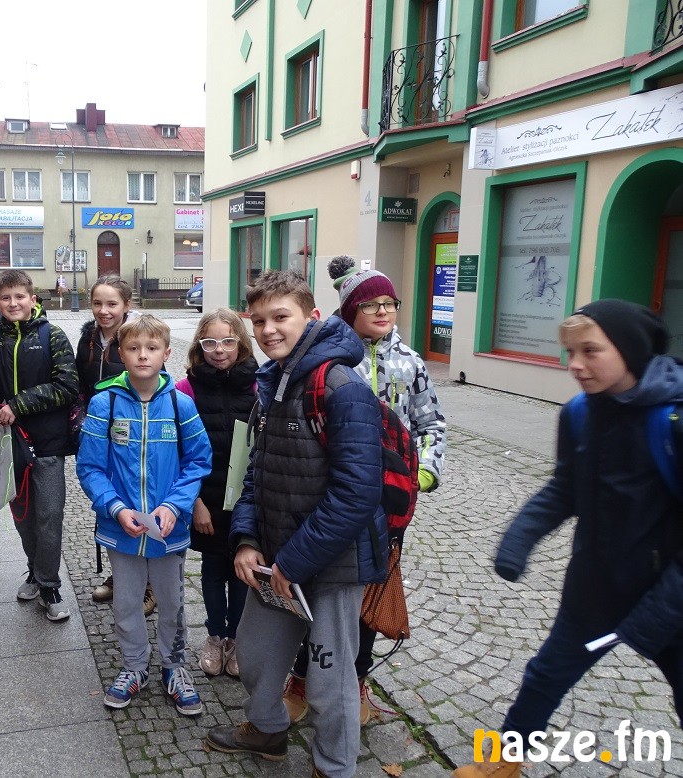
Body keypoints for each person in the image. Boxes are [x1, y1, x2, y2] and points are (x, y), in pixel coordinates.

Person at [453, 299, 683, 778]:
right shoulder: (579, 412)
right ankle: (505, 760)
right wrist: (521, 536)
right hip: (596, 583)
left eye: (590, 351)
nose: (575, 364)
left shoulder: (672, 420)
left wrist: (655, 617)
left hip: (669, 596)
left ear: (630, 349)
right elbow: (565, 489)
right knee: (546, 675)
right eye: (570, 352)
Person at [203, 270, 387, 777]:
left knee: (329, 680)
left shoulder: (342, 387)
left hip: (333, 565)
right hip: (277, 560)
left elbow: (357, 493)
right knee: (256, 655)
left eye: (280, 317)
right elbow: (255, 471)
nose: (268, 330)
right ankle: (267, 731)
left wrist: (294, 561)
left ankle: (334, 766)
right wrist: (246, 539)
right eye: (258, 320)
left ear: (313, 316)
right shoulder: (275, 381)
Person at [283, 261, 448, 725]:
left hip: (388, 506)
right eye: (370, 304)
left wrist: (422, 475)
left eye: (389, 303)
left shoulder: (410, 363)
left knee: (370, 596)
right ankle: (302, 678)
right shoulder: (329, 359)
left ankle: (355, 682)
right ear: (350, 310)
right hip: (332, 498)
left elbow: (431, 424)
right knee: (318, 592)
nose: (382, 311)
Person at [76, 315, 213, 716]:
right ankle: (134, 666)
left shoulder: (180, 404)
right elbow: (90, 467)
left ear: (166, 353)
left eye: (151, 348)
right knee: (126, 603)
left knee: (172, 602)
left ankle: (174, 666)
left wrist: (174, 506)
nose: (142, 355)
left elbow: (198, 461)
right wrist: (116, 508)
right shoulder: (104, 403)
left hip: (168, 529)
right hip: (122, 529)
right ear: (121, 353)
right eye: (133, 348)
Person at [0, 269, 79, 621]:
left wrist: (18, 405)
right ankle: (35, 570)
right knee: (23, 517)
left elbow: (67, 386)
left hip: (47, 445)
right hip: (8, 447)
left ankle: (49, 586)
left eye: (20, 296)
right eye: (6, 297)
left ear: (33, 299)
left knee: (49, 515)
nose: (13, 303)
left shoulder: (52, 335)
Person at [175, 308, 258, 679]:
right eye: (210, 342)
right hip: (206, 501)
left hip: (245, 500)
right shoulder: (186, 390)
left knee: (242, 574)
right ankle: (215, 636)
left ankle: (237, 639)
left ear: (240, 343)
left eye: (228, 341)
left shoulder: (258, 386)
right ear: (199, 345)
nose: (219, 349)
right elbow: (177, 452)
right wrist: (195, 503)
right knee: (212, 572)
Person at [75, 275, 155, 616]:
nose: (104, 310)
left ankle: (148, 584)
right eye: (98, 303)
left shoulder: (136, 338)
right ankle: (121, 575)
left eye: (112, 304)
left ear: (126, 305)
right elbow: (81, 385)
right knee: (109, 503)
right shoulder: (88, 339)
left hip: (133, 432)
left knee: (139, 500)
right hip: (99, 431)